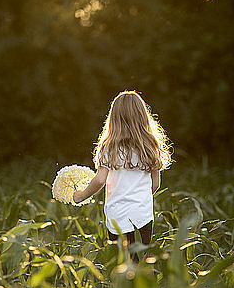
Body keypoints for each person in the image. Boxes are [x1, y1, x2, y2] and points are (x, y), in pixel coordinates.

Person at [73, 90, 172, 260]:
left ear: (114, 118)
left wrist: (81, 195)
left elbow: (99, 180)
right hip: (143, 215)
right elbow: (155, 184)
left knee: (121, 263)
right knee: (140, 262)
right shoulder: (150, 146)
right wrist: (140, 199)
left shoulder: (109, 147)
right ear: (143, 116)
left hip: (117, 217)